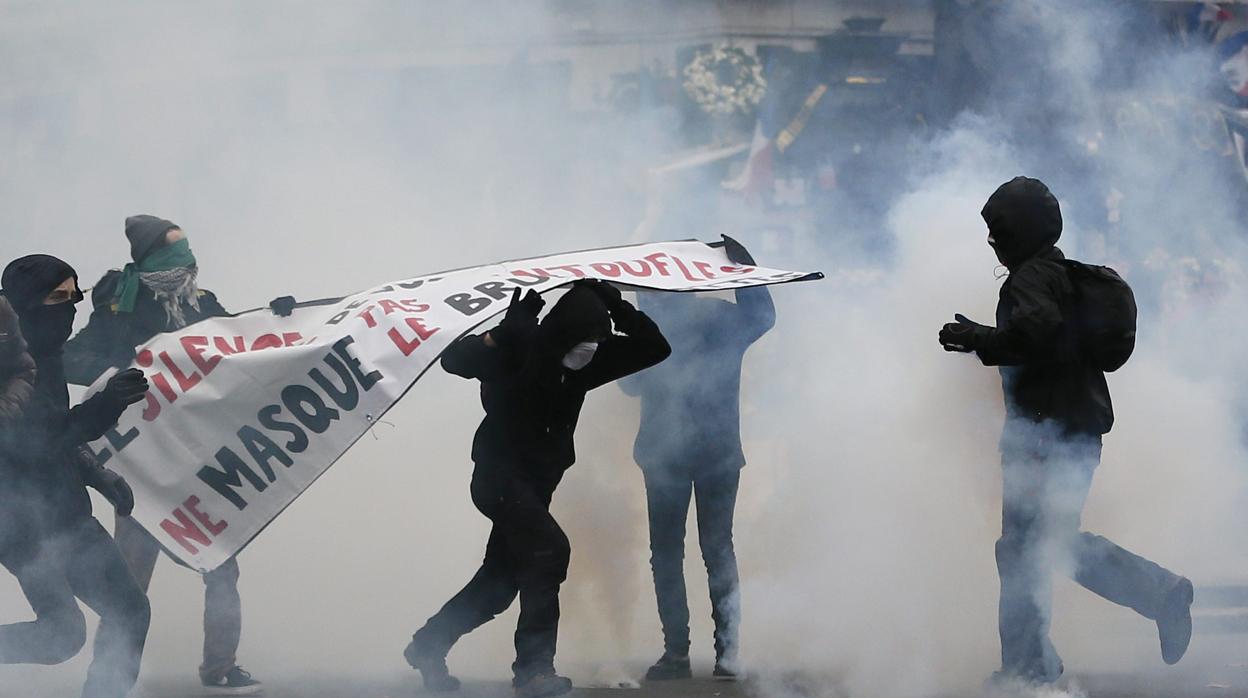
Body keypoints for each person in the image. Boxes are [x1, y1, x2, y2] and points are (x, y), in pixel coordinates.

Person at [937, 177, 1194, 687]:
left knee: (1029, 549)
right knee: (1038, 546)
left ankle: (1032, 667)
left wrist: (975, 337)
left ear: (1023, 232)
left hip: (1044, 436)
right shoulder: (1059, 276)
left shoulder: (1031, 280)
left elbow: (1036, 335)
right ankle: (1037, 660)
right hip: (1071, 431)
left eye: (1001, 231)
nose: (994, 242)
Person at [405, 280, 671, 697]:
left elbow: (655, 347)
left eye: (598, 340)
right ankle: (533, 672)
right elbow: (454, 359)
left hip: (535, 486)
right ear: (563, 333)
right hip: (498, 479)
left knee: (499, 585)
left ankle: (428, 645)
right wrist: (504, 332)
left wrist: (614, 303)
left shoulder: (590, 360)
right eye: (585, 339)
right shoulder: (521, 348)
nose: (590, 349)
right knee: (549, 551)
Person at [62, 215, 262, 695]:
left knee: (221, 565)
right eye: (175, 253)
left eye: (187, 250)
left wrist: (281, 319)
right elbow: (71, 357)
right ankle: (109, 676)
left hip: (201, 458)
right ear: (151, 260)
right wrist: (123, 372)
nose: (187, 262)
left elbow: (248, 345)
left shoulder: (204, 305)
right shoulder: (116, 308)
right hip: (143, 463)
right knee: (129, 578)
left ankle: (221, 667)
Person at [618, 237, 774, 682]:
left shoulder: (650, 329)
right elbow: (763, 316)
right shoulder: (720, 318)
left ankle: (677, 654)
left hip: (674, 452)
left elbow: (628, 387)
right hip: (711, 450)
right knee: (716, 549)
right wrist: (745, 264)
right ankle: (726, 655)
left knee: (668, 553)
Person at [0, 254, 151, 698]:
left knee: (125, 613)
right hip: (23, 524)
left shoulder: (46, 354)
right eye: (55, 297)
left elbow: (56, 428)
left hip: (65, 511)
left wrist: (94, 472)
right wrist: (106, 406)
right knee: (65, 633)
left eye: (73, 297)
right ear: (25, 302)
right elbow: (31, 440)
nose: (67, 308)